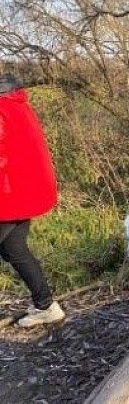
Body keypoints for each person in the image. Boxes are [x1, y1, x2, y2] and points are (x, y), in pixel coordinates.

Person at [0, 73, 66, 328]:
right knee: (15, 249)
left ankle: (45, 305)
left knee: (15, 250)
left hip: (8, 196)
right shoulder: (19, 107)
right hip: (23, 193)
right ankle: (46, 306)